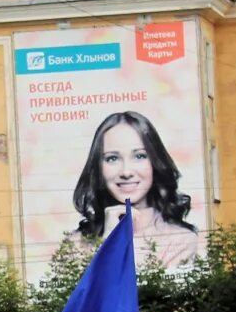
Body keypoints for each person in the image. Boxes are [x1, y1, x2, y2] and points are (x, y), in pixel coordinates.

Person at [70, 109, 198, 269]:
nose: (126, 172)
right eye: (112, 158)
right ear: (98, 168)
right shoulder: (75, 245)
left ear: (155, 162)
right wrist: (107, 244)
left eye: (139, 156)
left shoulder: (180, 240)